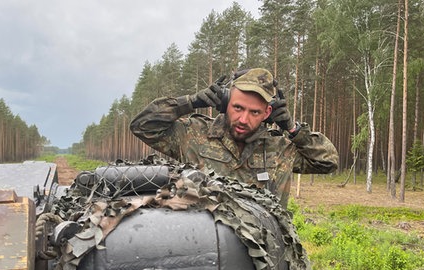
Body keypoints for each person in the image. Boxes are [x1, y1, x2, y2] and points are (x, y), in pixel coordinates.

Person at [130, 67, 338, 208]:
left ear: (267, 114)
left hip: (262, 256)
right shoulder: (194, 134)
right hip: (203, 247)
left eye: (255, 112)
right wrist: (189, 102)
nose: (244, 119)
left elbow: (327, 162)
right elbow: (143, 126)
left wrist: (293, 129)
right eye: (238, 107)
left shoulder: (280, 148)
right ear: (225, 103)